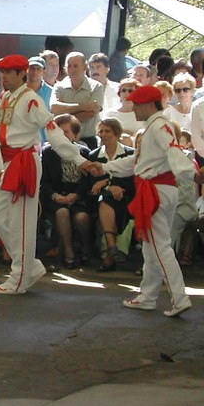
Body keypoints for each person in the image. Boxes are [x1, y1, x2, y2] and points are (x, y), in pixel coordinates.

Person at [0, 55, 90, 295]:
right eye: (1, 72)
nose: (3, 77)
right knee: (0, 217)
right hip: (10, 162)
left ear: (21, 74)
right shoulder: (4, 98)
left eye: (8, 72)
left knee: (21, 222)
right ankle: (28, 266)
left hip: (25, 162)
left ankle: (19, 277)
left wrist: (80, 160)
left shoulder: (31, 100)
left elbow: (53, 131)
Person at [86, 85, 198, 317]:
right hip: (159, 189)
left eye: (136, 104)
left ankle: (179, 297)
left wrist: (192, 174)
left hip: (156, 191)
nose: (133, 108)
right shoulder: (155, 126)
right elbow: (136, 162)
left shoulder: (158, 126)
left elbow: (173, 152)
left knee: (159, 246)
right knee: (152, 245)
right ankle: (148, 296)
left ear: (148, 104)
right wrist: (105, 167)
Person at [40, 115, 92, 269]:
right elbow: (44, 181)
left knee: (82, 218)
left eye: (66, 133)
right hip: (56, 196)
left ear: (75, 135)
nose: (62, 137)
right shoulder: (48, 152)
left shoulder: (84, 152)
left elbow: (88, 181)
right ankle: (69, 254)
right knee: (62, 213)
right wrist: (55, 196)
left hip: (78, 196)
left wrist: (77, 195)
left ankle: (86, 248)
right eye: (59, 133)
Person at [88, 118, 135, 272]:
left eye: (107, 131)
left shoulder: (130, 154)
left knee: (109, 203)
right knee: (105, 200)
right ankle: (112, 248)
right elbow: (92, 181)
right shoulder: (94, 155)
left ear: (117, 133)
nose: (103, 134)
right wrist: (110, 186)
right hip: (100, 199)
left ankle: (110, 252)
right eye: (100, 131)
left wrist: (108, 183)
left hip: (126, 197)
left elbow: (132, 180)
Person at [50, 52, 104, 150]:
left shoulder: (96, 87)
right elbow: (54, 108)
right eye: (69, 66)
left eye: (75, 66)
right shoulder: (59, 87)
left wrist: (64, 117)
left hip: (88, 140)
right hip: (62, 139)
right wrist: (83, 106)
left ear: (85, 67)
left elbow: (91, 113)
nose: (72, 70)